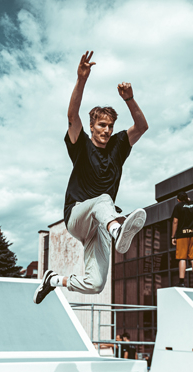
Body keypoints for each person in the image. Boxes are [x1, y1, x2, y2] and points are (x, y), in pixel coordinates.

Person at [34, 51, 149, 304]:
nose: (107, 130)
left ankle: (53, 280)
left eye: (110, 126)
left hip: (99, 225)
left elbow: (142, 127)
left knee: (96, 284)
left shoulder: (118, 145)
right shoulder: (81, 145)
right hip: (77, 215)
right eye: (101, 125)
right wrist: (81, 79)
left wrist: (129, 99)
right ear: (92, 126)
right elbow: (72, 116)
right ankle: (118, 229)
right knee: (104, 200)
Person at [171, 191, 193, 288]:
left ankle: (182, 282)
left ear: (178, 200)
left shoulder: (178, 207)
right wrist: (188, 201)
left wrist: (173, 236)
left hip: (182, 235)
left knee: (182, 258)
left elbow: (175, 222)